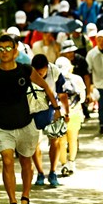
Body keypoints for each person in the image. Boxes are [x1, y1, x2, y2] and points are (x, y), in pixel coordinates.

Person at [0, 34, 60, 204]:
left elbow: (46, 87)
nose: (5, 52)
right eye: (1, 49)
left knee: (25, 160)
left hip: (25, 124)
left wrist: (56, 109)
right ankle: (12, 202)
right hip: (2, 126)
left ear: (15, 51)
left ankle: (25, 196)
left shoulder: (25, 70)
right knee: (7, 160)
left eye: (9, 48)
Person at [30, 54, 70, 188]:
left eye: (41, 72)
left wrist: (65, 111)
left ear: (47, 67)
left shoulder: (55, 73)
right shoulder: (27, 73)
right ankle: (40, 173)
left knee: (55, 140)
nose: (39, 75)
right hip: (33, 109)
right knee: (34, 143)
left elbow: (62, 94)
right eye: (36, 72)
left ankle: (53, 172)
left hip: (52, 109)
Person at [55, 56, 87, 177]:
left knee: (61, 142)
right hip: (75, 113)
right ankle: (71, 163)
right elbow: (82, 98)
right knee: (73, 139)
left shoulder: (54, 80)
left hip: (60, 115)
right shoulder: (77, 79)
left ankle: (63, 165)